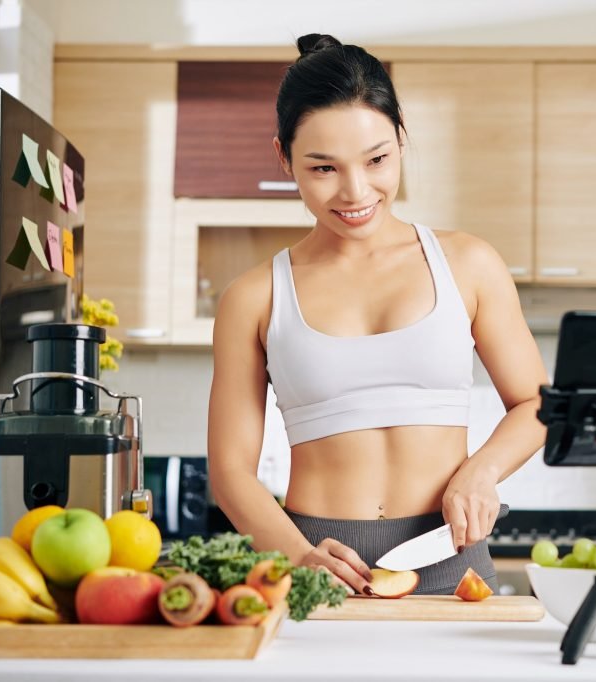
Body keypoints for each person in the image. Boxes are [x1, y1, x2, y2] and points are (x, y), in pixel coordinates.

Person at [207, 33, 548, 596]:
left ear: (401, 141)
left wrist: (481, 472)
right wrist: (298, 555)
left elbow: (536, 403)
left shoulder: (468, 263)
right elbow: (230, 472)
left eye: (377, 159)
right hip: (317, 561)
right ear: (283, 157)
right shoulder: (255, 296)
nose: (356, 191)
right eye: (323, 169)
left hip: (450, 554)